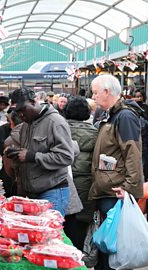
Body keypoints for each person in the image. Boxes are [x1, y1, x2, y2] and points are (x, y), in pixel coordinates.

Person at [88, 75, 143, 270]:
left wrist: (128, 187)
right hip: (108, 189)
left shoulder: (124, 116)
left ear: (106, 91)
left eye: (95, 92)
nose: (93, 96)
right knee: (107, 246)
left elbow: (133, 153)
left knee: (114, 249)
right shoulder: (111, 114)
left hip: (116, 192)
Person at [6, 88, 78, 216]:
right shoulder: (26, 124)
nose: (20, 115)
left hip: (52, 191)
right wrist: (16, 153)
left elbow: (66, 157)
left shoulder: (55, 122)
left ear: (33, 102)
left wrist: (32, 156)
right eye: (17, 112)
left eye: (23, 110)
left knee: (48, 233)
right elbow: (29, 152)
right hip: (32, 193)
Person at [64, 96, 98, 251]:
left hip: (64, 181)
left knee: (61, 223)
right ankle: (77, 258)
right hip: (85, 183)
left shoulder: (61, 128)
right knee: (80, 226)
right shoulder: (95, 132)